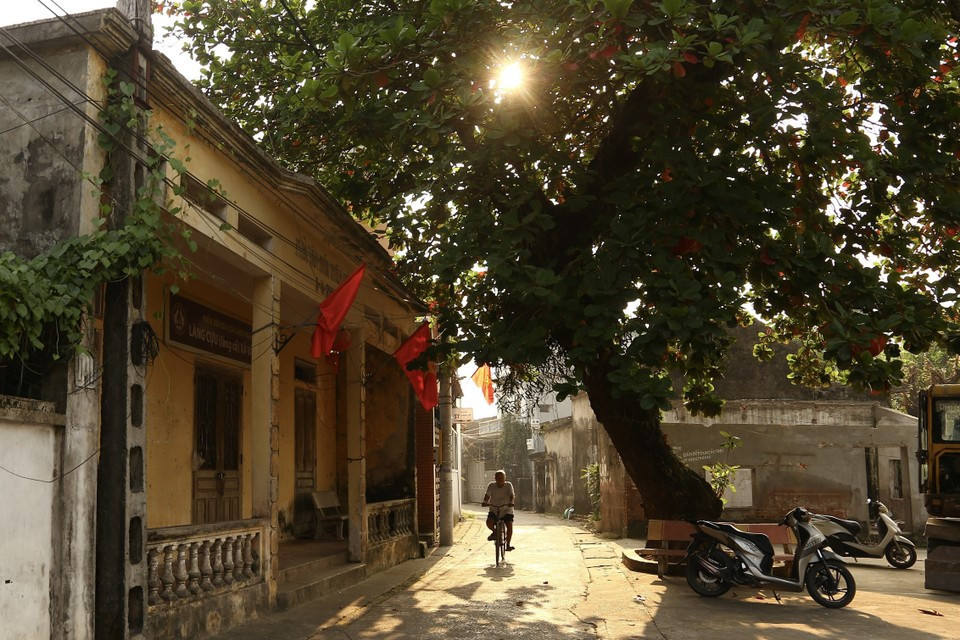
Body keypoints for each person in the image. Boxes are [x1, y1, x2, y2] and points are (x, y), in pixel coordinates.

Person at [482, 469, 515, 551]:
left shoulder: (508, 485)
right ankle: (495, 531)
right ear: (495, 478)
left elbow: (511, 495)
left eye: (501, 478)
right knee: (489, 522)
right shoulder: (491, 485)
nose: (500, 479)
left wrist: (511, 502)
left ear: (505, 478)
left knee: (509, 526)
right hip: (494, 508)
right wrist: (485, 501)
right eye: (498, 478)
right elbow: (487, 495)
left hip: (506, 509)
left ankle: (508, 545)